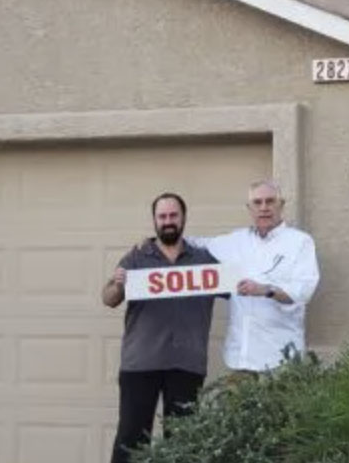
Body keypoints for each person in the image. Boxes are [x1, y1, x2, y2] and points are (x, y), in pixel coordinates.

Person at [102, 192, 219, 463]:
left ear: (183, 218)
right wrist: (117, 282)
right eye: (162, 216)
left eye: (173, 215)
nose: (168, 221)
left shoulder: (203, 260)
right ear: (154, 220)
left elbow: (235, 287)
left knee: (183, 442)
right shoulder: (137, 257)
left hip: (186, 364)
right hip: (141, 363)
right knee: (131, 439)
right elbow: (109, 299)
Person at [194, 180, 320, 372]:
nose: (264, 208)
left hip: (281, 360)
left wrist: (265, 290)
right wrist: (153, 243)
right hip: (240, 358)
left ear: (281, 205)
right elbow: (196, 244)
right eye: (257, 203)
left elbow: (303, 291)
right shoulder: (236, 241)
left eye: (270, 201)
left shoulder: (300, 242)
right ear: (249, 208)